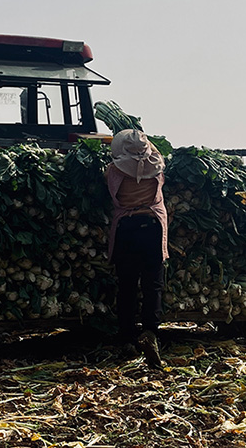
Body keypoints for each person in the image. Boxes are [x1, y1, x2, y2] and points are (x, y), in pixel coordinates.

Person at [106, 129, 168, 368]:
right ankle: (150, 332)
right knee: (153, 284)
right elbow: (156, 159)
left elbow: (110, 191)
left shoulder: (114, 171)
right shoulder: (157, 168)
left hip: (127, 228)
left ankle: (127, 338)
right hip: (152, 226)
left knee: (127, 285)